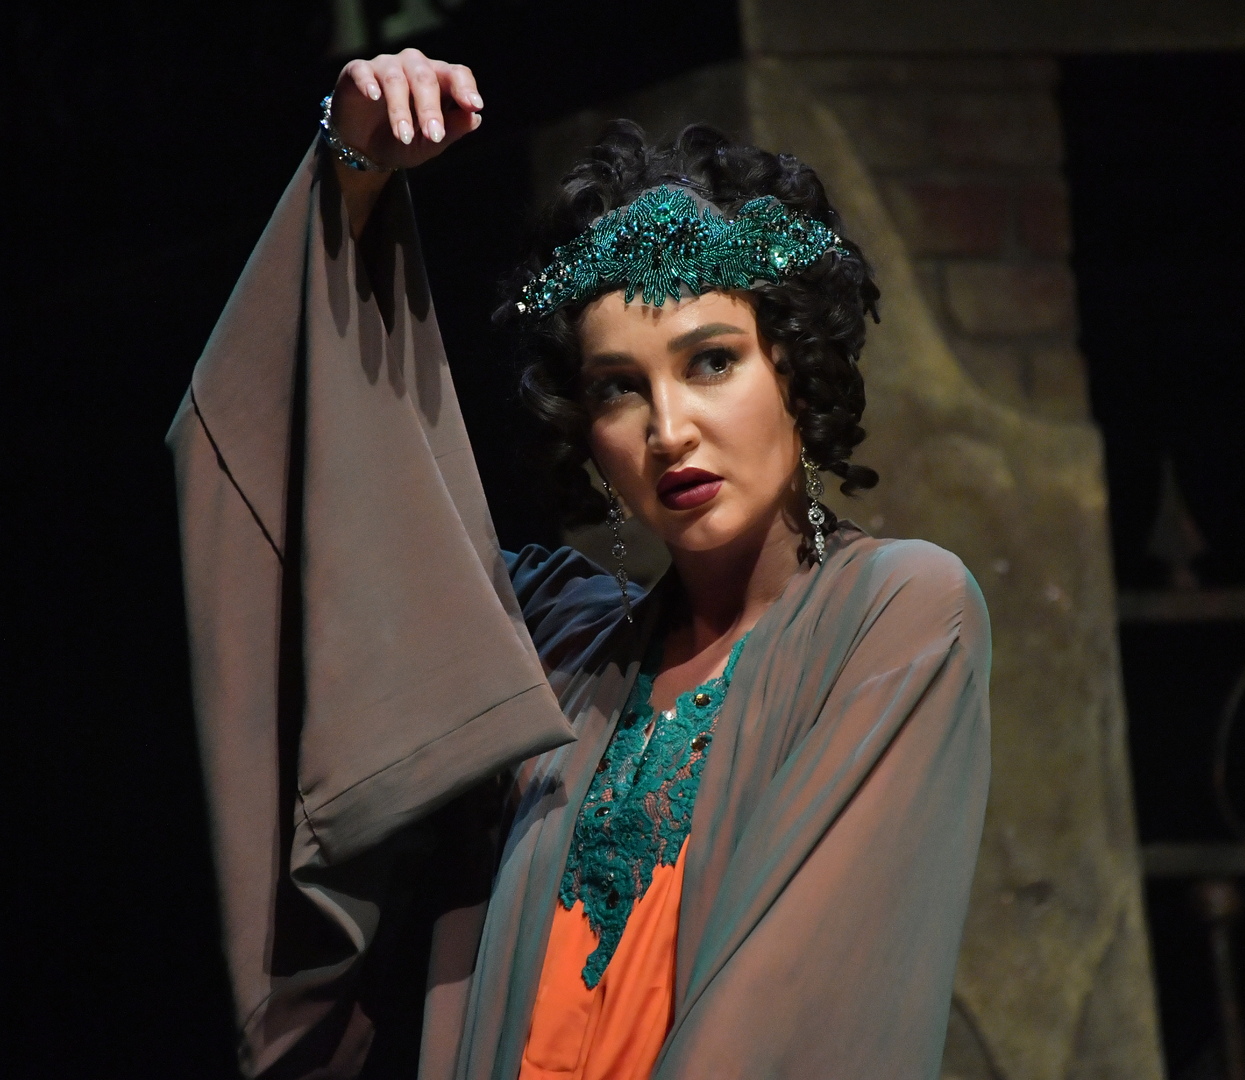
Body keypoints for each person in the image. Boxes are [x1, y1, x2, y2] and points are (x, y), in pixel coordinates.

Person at [168, 47, 992, 1080]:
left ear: (795, 365)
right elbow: (320, 524)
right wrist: (352, 176)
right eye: (618, 388)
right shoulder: (555, 652)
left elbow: (793, 1014)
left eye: (712, 361)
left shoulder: (897, 612)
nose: (669, 429)